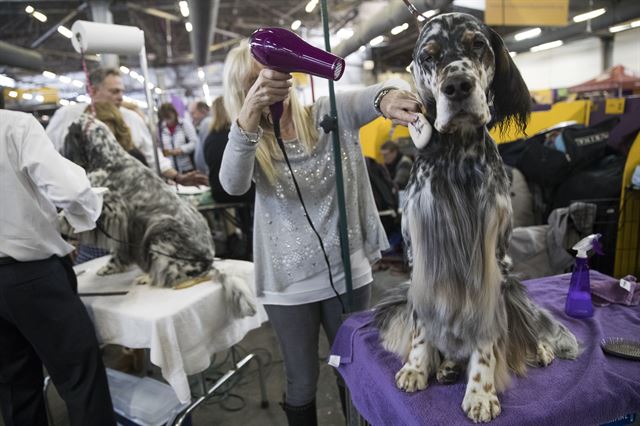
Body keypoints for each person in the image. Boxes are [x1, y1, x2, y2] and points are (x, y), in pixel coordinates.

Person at [219, 40, 420, 425]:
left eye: (272, 74)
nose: (267, 83)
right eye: (254, 80)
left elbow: (367, 98)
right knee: (301, 380)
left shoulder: (327, 113)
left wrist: (390, 97)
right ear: (242, 90)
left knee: (354, 370)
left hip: (349, 272)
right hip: (287, 285)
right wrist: (248, 116)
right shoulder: (249, 142)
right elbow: (232, 184)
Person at [0, 110, 116, 426]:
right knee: (81, 380)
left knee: (15, 388)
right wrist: (89, 210)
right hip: (32, 276)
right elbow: (68, 189)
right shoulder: (14, 125)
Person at [46, 67, 207, 186]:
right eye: (114, 92)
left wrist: (178, 177)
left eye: (122, 91)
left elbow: (152, 154)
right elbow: (47, 154)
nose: (121, 97)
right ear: (93, 91)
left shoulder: (131, 118)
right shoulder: (67, 116)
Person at [157, 102, 199, 173]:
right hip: (171, 168)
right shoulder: (161, 129)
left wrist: (181, 149)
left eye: (169, 117)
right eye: (165, 118)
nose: (168, 121)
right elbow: (159, 146)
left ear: (174, 114)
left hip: (187, 167)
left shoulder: (184, 124)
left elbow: (195, 142)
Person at [189, 100, 212, 174]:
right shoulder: (204, 123)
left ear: (203, 111)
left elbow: (207, 149)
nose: (192, 117)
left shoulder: (206, 123)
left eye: (193, 113)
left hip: (207, 171)